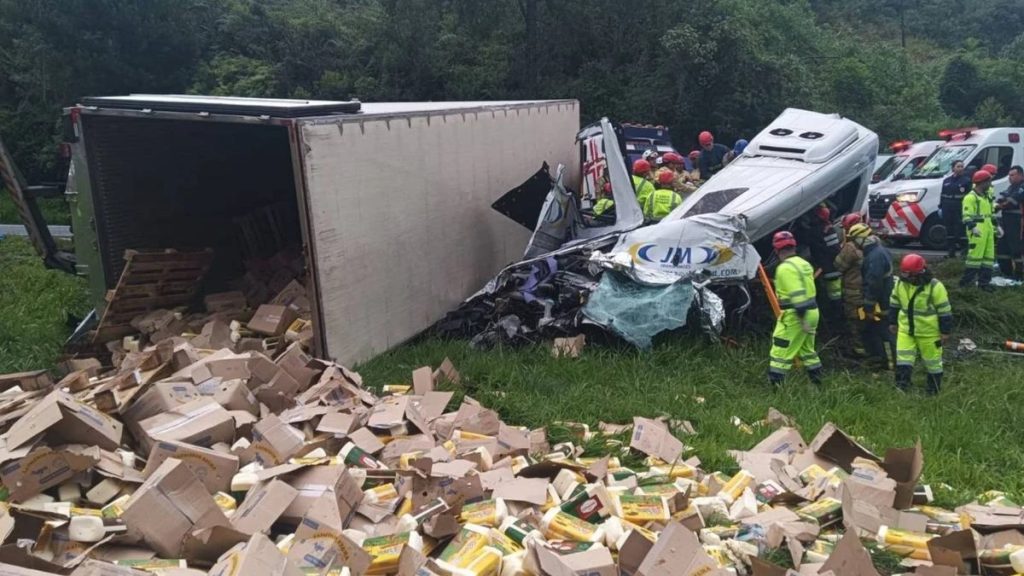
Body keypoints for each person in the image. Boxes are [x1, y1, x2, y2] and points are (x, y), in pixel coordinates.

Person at [889, 254, 952, 395]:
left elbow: (945, 311)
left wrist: (945, 331)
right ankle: (902, 387)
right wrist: (893, 321)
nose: (907, 279)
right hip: (906, 330)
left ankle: (933, 391)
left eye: (910, 276)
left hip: (929, 333)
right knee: (903, 359)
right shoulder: (901, 283)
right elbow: (894, 302)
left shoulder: (935, 286)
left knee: (933, 363)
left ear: (919, 273)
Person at [768, 231, 823, 386]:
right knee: (807, 350)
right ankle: (817, 384)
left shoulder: (784, 268)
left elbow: (797, 295)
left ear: (776, 250)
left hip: (796, 315)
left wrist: (801, 317)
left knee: (780, 350)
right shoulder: (803, 263)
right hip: (813, 311)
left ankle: (776, 388)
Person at [849, 223, 894, 370]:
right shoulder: (877, 251)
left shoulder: (875, 256)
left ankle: (889, 364)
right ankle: (881, 360)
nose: (854, 245)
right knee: (873, 330)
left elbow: (874, 283)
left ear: (861, 239)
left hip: (881, 303)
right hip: (882, 301)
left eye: (854, 240)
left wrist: (868, 306)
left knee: (882, 332)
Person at [961, 169, 998, 290]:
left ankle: (984, 283)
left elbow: (990, 214)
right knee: (975, 257)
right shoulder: (970, 198)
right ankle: (966, 283)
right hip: (977, 230)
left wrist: (997, 226)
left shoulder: (986, 197)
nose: (990, 184)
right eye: (989, 182)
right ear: (982, 182)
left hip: (988, 229)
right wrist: (973, 228)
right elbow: (966, 215)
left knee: (988, 257)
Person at [834, 213, 865, 356]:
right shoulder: (873, 241)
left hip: (853, 292)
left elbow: (838, 265)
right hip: (868, 290)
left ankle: (859, 351)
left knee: (854, 321)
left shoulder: (850, 248)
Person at [996, 165, 1024, 278]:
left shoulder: (1022, 187)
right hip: (1006, 220)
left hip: (1017, 222)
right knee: (1003, 246)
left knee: (1016, 248)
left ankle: (1018, 275)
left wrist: (1000, 205)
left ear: (1021, 175)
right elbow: (1003, 197)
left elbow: (1012, 201)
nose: (1010, 178)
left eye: (1012, 175)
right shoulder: (1011, 187)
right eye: (1009, 175)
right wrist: (1003, 202)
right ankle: (1005, 272)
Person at [940, 160, 971, 257]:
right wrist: (940, 207)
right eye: (958, 166)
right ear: (953, 168)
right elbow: (943, 195)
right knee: (949, 230)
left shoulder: (966, 181)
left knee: (960, 230)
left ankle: (964, 251)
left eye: (962, 166)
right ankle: (951, 252)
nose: (960, 168)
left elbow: (969, 196)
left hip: (959, 207)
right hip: (947, 208)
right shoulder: (947, 181)